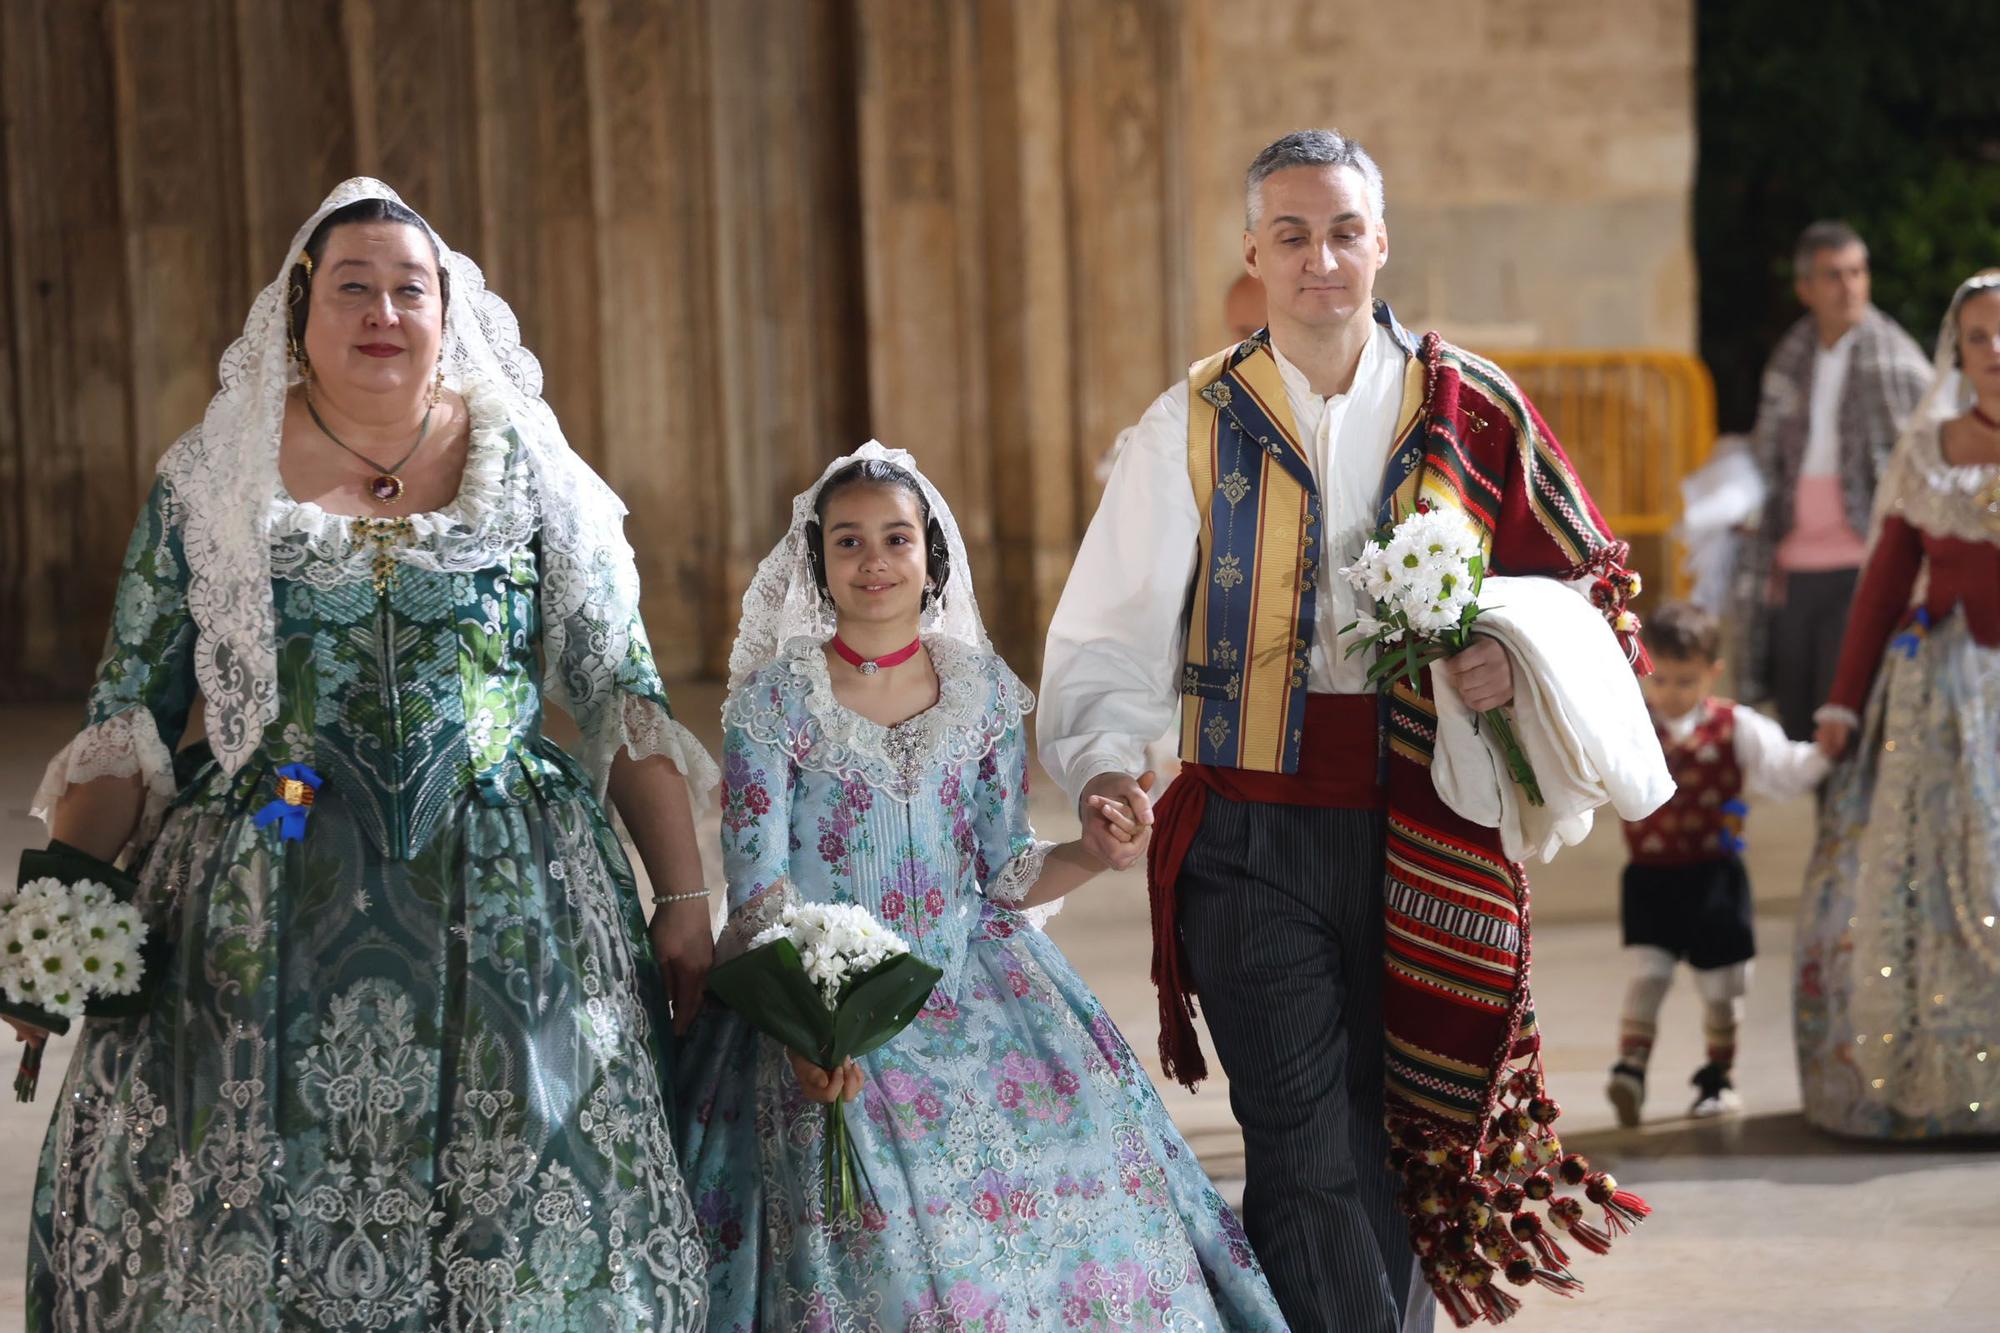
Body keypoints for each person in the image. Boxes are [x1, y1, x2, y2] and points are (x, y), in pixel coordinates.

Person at [21, 180, 716, 1329]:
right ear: (300, 312)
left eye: (410, 288)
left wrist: (683, 898)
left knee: (519, 1188)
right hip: (270, 874)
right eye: (353, 287)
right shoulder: (211, 481)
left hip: (512, 899)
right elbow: (124, 723)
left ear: (449, 313)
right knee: (267, 1189)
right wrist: (50, 933)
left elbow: (620, 698)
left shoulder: (535, 474)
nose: (382, 311)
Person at [1039, 129, 1651, 1331]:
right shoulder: (1187, 422)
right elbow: (1107, 630)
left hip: (1429, 826)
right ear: (1251, 253)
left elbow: (1595, 585)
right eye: (1290, 234)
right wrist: (1106, 760)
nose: (1319, 258)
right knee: (1298, 1132)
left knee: (1399, 1131)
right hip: (1246, 835)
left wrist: (1509, 658)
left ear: (1381, 243)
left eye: (1341, 232)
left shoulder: (1472, 404)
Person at [674, 444, 1286, 1329]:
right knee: (867, 1213)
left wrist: (1097, 849)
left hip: (977, 982)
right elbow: (762, 892)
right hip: (821, 1002)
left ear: (932, 558)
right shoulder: (775, 705)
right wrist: (813, 1025)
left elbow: (1007, 872)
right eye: (847, 542)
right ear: (819, 564)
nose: (874, 560)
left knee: (1073, 1150)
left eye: (896, 537)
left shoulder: (983, 695)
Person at [1797, 271, 2000, 1141]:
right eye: (1981, 338)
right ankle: (1947, 1081)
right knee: (1935, 887)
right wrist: (1842, 704)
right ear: (1958, 351)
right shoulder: (1930, 449)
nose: (1997, 353)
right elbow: (1882, 587)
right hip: (1944, 700)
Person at [1604, 602, 1829, 1128]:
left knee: (1723, 989)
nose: (1670, 693)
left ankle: (1716, 1078)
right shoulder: (1629, 724)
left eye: (1685, 681)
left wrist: (1827, 751)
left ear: (1712, 672)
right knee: (1650, 972)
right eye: (1660, 680)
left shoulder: (1738, 727)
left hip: (1715, 877)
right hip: (1651, 875)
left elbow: (1786, 770)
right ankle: (1630, 1068)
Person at [1739, 221, 1930, 740]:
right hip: (1794, 568)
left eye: (1857, 272)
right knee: (1798, 717)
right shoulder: (1790, 356)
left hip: (1861, 565)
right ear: (1806, 288)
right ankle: (1824, 824)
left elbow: (1926, 454)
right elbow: (1766, 453)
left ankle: (1843, 824)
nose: (1849, 286)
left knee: (1846, 712)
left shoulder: (1897, 357)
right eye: (1833, 275)